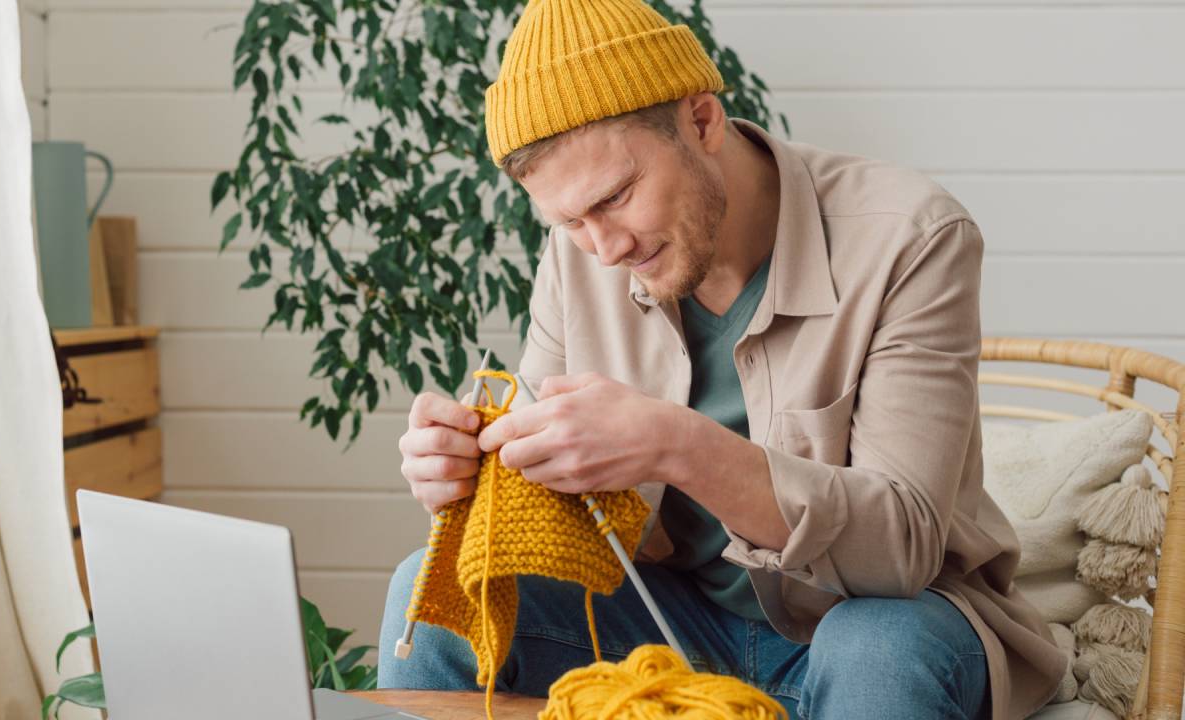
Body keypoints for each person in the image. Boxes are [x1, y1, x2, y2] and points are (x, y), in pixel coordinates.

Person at [381, 0, 1066, 718]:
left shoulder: (911, 237)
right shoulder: (579, 256)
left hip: (888, 619)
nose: (606, 249)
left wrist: (677, 446)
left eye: (616, 197)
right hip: (678, 624)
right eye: (569, 221)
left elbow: (901, 550)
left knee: (874, 648)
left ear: (701, 120)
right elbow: (566, 503)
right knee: (427, 593)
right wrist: (474, 470)